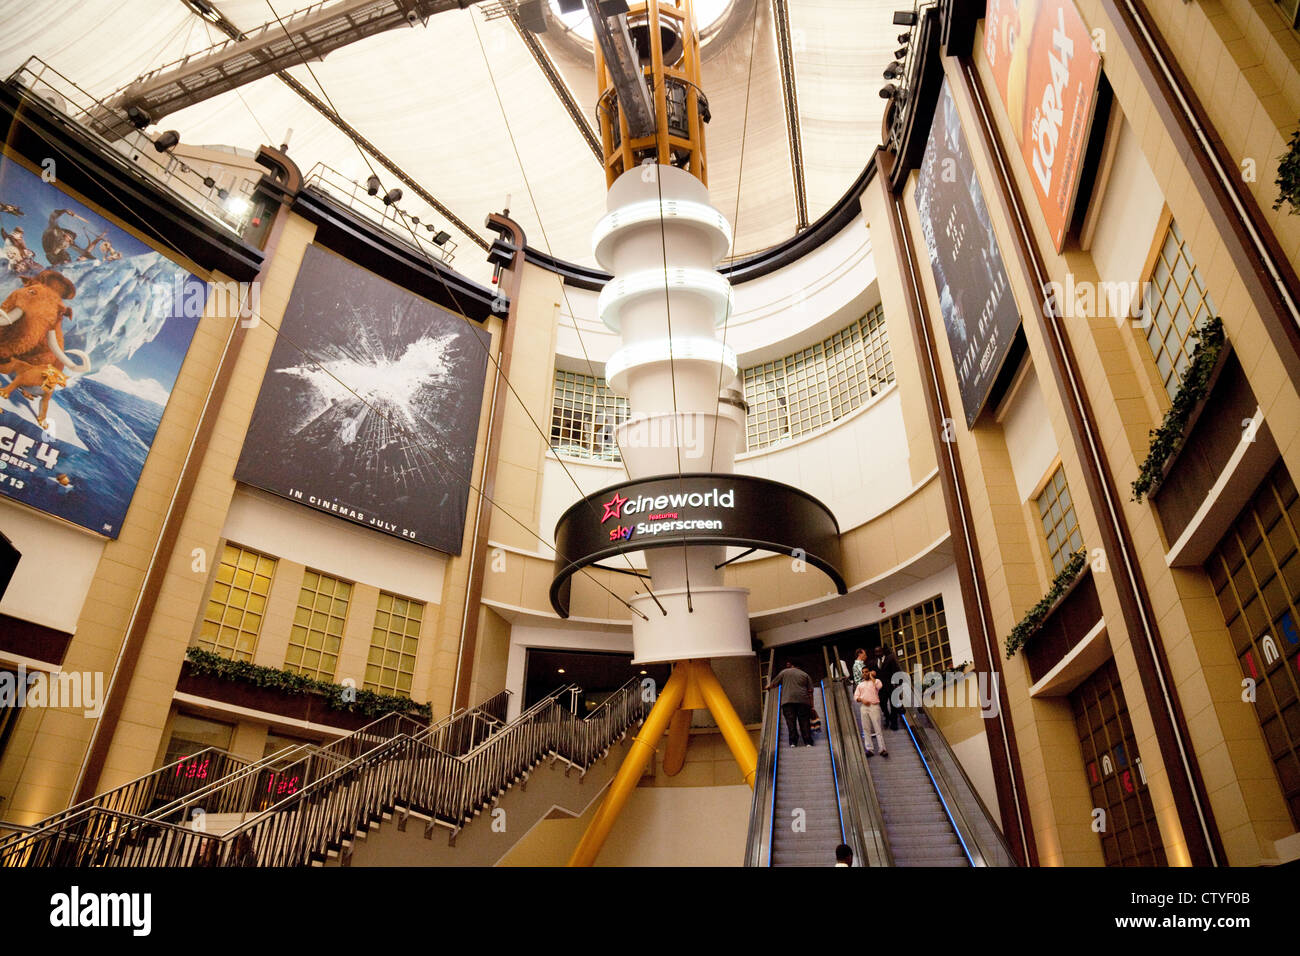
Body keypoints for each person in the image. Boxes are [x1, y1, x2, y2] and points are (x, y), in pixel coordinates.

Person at [766, 660, 815, 747]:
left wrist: (768, 687)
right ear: (800, 667)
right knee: (804, 721)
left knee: (790, 722)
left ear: (792, 665)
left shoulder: (784, 672)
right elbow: (810, 691)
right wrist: (812, 705)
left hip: (787, 701)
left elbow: (774, 684)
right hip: (803, 701)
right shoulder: (805, 675)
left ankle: (793, 742)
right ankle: (808, 742)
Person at [853, 668, 888, 757]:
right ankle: (869, 749)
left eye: (866, 672)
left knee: (877, 728)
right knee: (866, 728)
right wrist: (861, 699)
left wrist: (872, 676)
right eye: (863, 672)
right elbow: (856, 696)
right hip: (864, 707)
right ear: (862, 674)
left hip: (874, 706)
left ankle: (882, 749)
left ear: (869, 672)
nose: (865, 674)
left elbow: (879, 687)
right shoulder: (860, 685)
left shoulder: (876, 681)